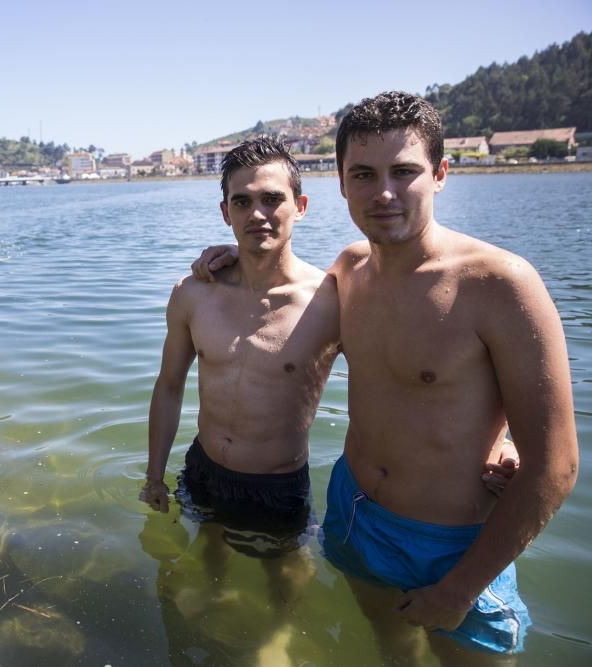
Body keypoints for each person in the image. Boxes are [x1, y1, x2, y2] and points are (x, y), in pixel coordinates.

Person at [191, 91, 578, 661]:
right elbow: (276, 297)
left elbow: (557, 466)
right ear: (342, 185)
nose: (385, 193)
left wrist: (460, 589)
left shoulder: (500, 285)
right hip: (354, 515)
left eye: (404, 172)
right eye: (364, 175)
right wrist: (228, 253)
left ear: (440, 174)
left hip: (451, 546)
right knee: (390, 652)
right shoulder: (349, 271)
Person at [142, 137, 338, 663]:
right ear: (225, 212)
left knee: (285, 574)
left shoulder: (331, 301)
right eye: (242, 201)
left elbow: (396, 382)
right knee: (206, 548)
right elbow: (169, 384)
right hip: (204, 467)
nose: (258, 214)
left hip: (278, 485)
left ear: (300, 205)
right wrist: (154, 474)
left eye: (272, 199)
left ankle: (281, 635)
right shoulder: (194, 292)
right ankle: (210, 605)